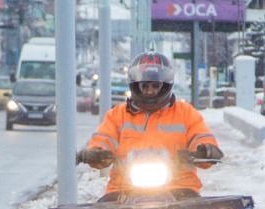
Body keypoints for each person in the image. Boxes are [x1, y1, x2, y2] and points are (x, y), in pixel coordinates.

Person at [77, 52, 223, 193]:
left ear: (166, 85)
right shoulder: (118, 114)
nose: (150, 91)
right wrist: (96, 153)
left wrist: (206, 150)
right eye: (144, 86)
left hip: (180, 188)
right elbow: (103, 139)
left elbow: (200, 136)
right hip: (123, 189)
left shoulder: (186, 113)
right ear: (134, 86)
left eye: (155, 86)